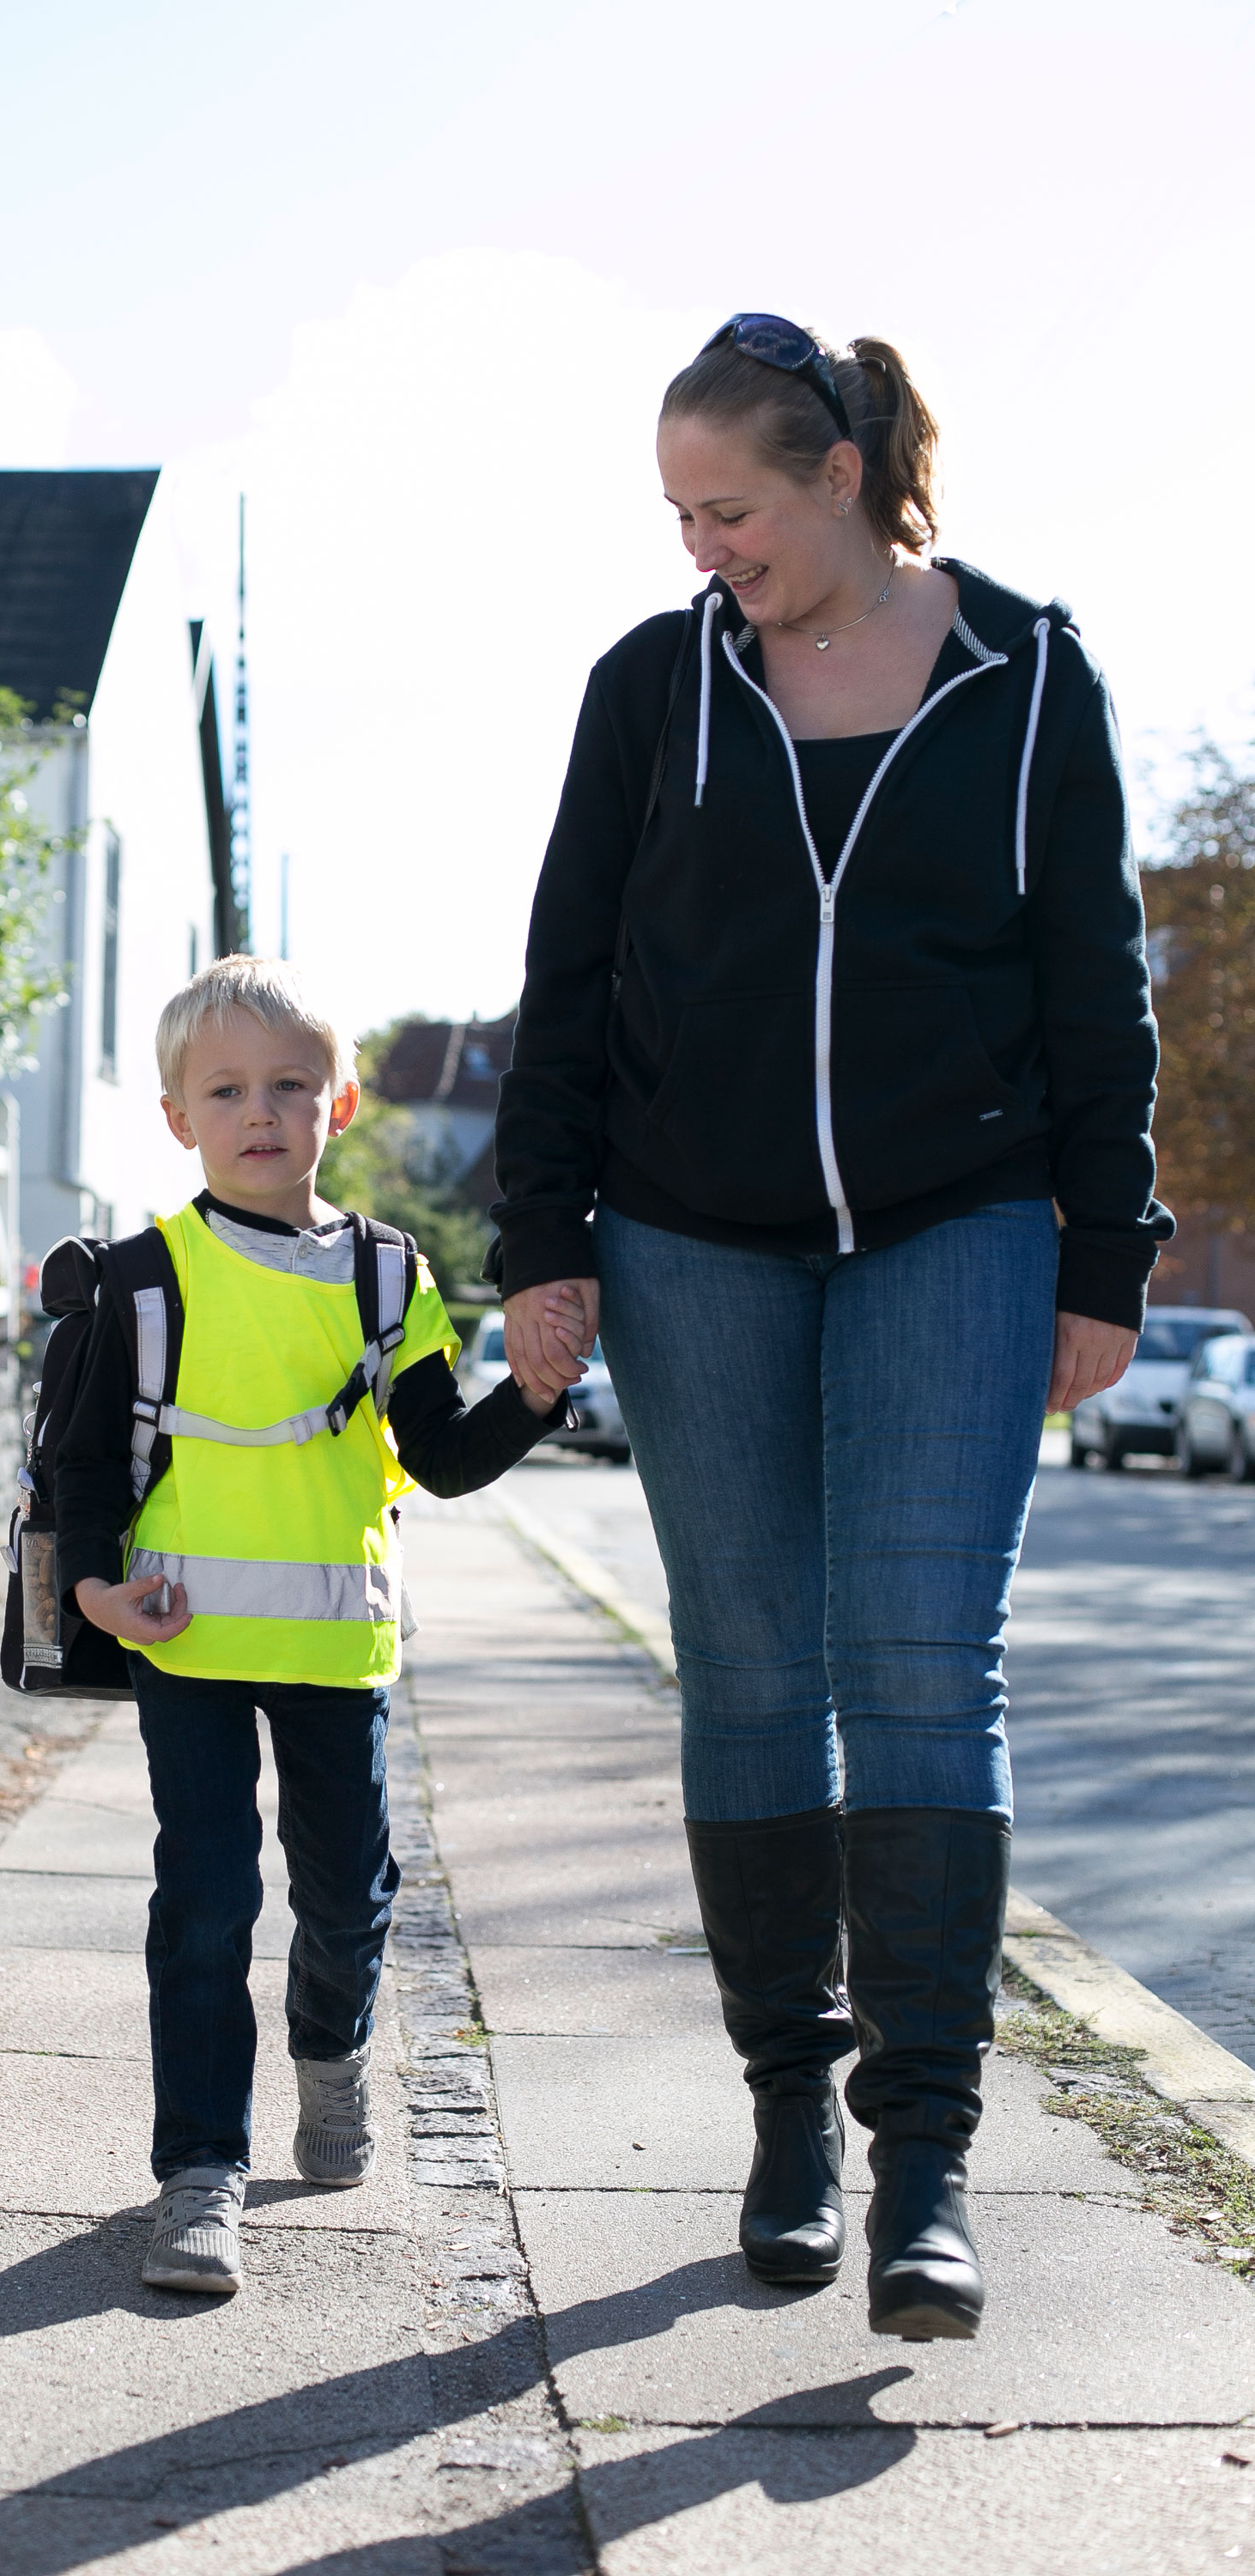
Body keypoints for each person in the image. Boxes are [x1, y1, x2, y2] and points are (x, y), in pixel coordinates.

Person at [491, 314, 1169, 2342]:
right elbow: (568, 971)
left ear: (843, 479)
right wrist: (544, 1236)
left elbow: (1094, 985)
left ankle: (929, 2167)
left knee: (919, 1668)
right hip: (691, 1234)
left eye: (734, 510)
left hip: (955, 1231)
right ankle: (789, 2121)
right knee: (753, 1671)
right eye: (678, 514)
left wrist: (1102, 1259)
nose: (705, 549)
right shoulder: (653, 686)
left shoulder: (1026, 678)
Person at [52, 956, 571, 2297]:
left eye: (288, 1085)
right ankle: (201, 2175)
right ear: (179, 1119)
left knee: (347, 1897)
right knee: (208, 1902)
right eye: (225, 1090)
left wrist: (535, 1392)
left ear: (338, 1103)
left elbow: (442, 1458)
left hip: (340, 1646)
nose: (260, 1111)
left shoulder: (390, 1280)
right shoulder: (141, 1279)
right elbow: (88, 1466)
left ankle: (332, 2052)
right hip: (189, 1647)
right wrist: (97, 1589)